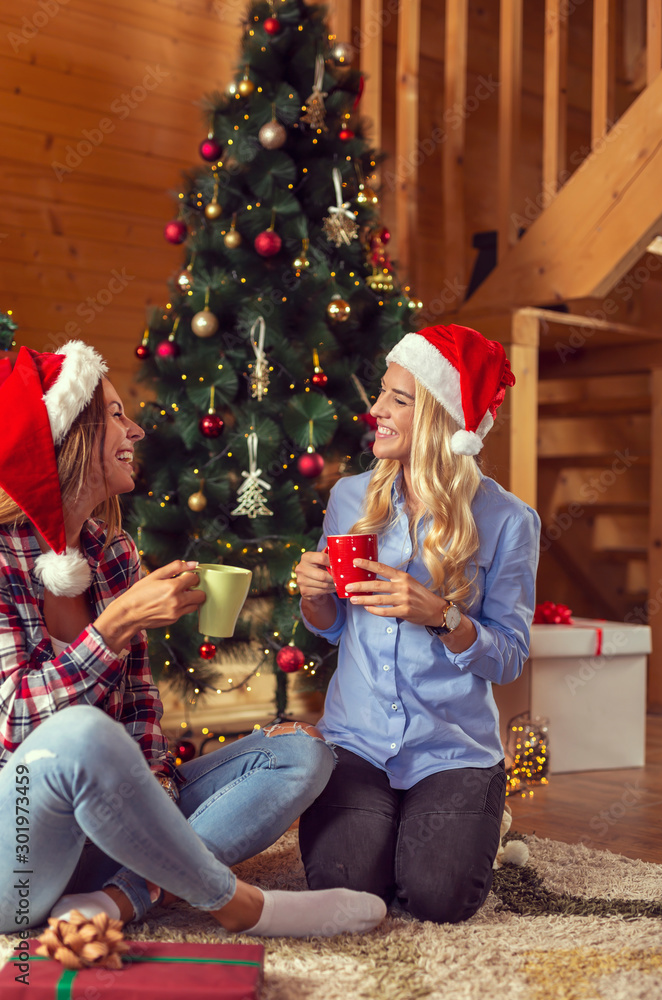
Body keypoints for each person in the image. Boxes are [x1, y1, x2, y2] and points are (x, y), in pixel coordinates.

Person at [0, 340, 386, 938]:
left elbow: (138, 707)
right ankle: (238, 905)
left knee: (302, 752)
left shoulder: (114, 555)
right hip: (20, 852)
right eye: (115, 414)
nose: (137, 431)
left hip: (110, 833)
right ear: (70, 436)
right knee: (78, 733)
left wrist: (154, 776)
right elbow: (19, 729)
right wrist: (115, 626)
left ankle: (121, 898)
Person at [295, 323, 540, 924]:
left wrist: (441, 614)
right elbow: (330, 628)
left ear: (439, 418)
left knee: (439, 898)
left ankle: (481, 816)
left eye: (398, 400)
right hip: (358, 742)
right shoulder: (351, 498)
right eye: (383, 393)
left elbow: (509, 655)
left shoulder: (510, 520)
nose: (375, 409)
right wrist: (311, 594)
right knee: (347, 888)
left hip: (452, 749)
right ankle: (402, 825)